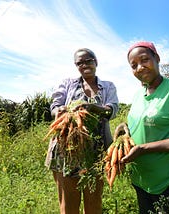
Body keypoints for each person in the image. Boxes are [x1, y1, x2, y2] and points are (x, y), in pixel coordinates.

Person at [115, 41, 169, 213]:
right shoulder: (139, 94)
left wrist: (144, 149)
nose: (139, 67)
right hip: (141, 180)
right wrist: (125, 127)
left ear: (157, 58)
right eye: (133, 65)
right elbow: (140, 123)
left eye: (144, 59)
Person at [45, 48, 119, 214]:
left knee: (94, 203)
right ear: (76, 66)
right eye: (80, 63)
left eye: (88, 61)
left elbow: (112, 109)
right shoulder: (67, 84)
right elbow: (54, 106)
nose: (84, 64)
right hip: (67, 152)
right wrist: (59, 111)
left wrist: (93, 107)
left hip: (97, 153)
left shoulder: (107, 86)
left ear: (96, 62)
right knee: (69, 205)